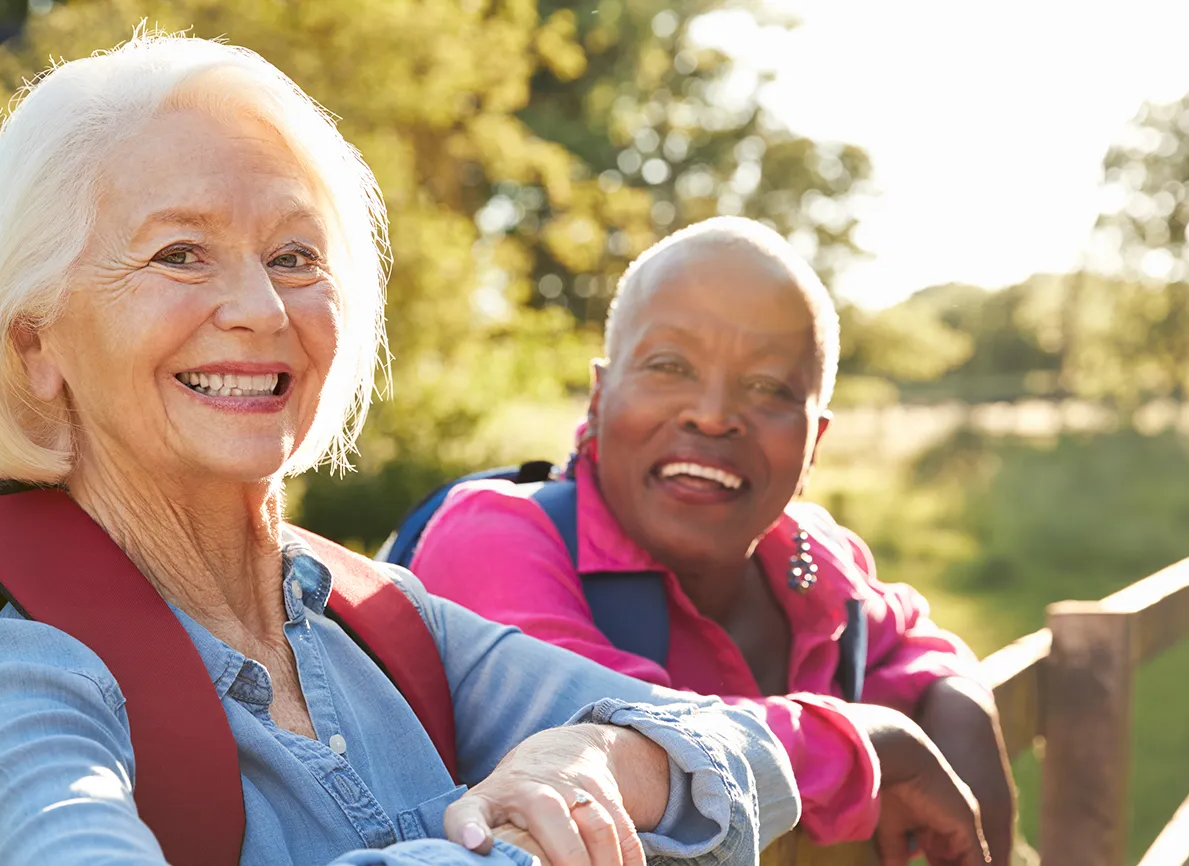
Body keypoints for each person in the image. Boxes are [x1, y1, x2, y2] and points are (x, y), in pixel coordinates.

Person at [0, 38, 801, 866]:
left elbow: (750, 753)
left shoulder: (386, 619)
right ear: (37, 343)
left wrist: (592, 759)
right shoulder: (17, 681)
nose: (261, 310)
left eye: (295, 257)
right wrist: (519, 851)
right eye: (179, 253)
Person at [408, 218, 1013, 864]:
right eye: (669, 365)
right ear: (600, 396)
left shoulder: (811, 558)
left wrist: (961, 706)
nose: (715, 413)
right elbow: (634, 750)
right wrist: (874, 744)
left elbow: (919, 645)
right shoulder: (497, 541)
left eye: (768, 387)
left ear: (815, 444)